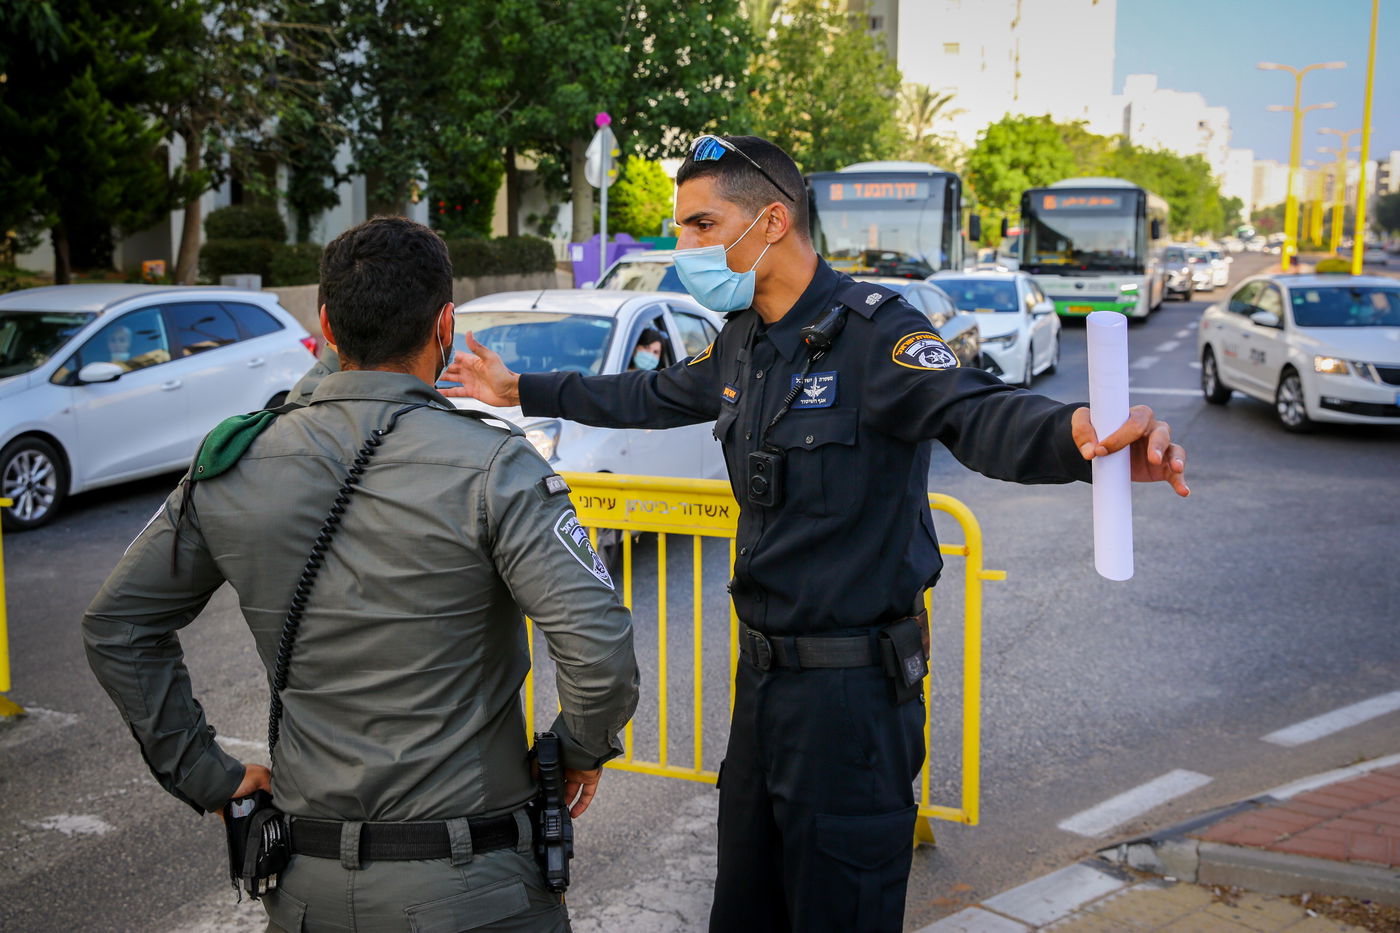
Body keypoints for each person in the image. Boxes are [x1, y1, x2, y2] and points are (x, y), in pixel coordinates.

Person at [441, 135, 1189, 933]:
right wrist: (520, 386)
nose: (683, 247)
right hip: (763, 690)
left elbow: (972, 408)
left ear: (770, 221)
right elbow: (651, 392)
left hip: (854, 699)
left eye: (701, 224)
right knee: (745, 911)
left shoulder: (876, 332)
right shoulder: (745, 340)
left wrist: (1078, 435)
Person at [84, 217, 639, 933]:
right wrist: (580, 749)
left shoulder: (236, 462)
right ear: (445, 325)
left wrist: (207, 774)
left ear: (323, 324)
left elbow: (118, 626)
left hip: (307, 891)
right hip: (475, 888)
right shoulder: (495, 466)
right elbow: (599, 652)